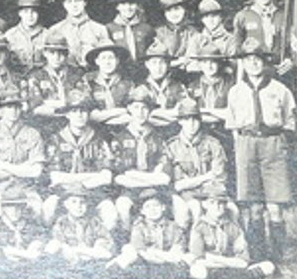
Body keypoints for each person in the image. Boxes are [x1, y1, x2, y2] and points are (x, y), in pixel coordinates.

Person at [224, 37, 297, 265]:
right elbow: (233, 125)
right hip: (246, 145)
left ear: (264, 62)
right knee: (253, 207)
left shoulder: (280, 90)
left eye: (257, 59)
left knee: (275, 207)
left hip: (272, 145)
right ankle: (258, 259)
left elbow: (289, 120)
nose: (253, 64)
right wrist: (242, 146)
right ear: (243, 64)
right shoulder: (235, 92)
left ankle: (277, 260)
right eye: (248, 60)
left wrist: (278, 141)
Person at [45, 88, 119, 231]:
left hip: (92, 193)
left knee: (110, 212)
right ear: (67, 114)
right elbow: (56, 177)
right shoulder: (55, 139)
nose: (79, 115)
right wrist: (90, 176)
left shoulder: (99, 140)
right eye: (74, 111)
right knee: (48, 206)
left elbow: (106, 177)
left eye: (84, 111)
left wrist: (76, 180)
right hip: (64, 193)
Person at [186, 185, 277, 279]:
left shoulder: (233, 226)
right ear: (204, 204)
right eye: (212, 203)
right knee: (197, 271)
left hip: (231, 267)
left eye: (221, 203)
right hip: (212, 268)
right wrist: (224, 263)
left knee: (268, 266)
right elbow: (198, 259)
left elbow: (243, 260)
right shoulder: (199, 227)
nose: (217, 207)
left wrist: (217, 259)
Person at [161, 96, 229, 229]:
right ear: (180, 121)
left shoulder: (213, 144)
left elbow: (219, 178)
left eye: (195, 119)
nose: (191, 124)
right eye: (186, 119)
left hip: (211, 192)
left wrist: (208, 193)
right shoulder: (171, 146)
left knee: (232, 210)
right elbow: (176, 185)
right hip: (185, 195)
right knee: (193, 209)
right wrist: (205, 177)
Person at [111, 86, 172, 230]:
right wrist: (151, 178)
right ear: (129, 109)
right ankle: (127, 243)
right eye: (136, 107)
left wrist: (133, 175)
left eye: (145, 108)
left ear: (150, 111)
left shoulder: (159, 138)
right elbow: (119, 176)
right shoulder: (118, 139)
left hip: (155, 190)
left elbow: (165, 176)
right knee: (122, 206)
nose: (140, 112)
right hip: (130, 190)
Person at [0, 87, 46, 217]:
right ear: (1, 109)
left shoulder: (32, 133)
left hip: (26, 188)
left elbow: (36, 171)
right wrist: (23, 168)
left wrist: (2, 165)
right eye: (9, 107)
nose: (14, 111)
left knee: (38, 209)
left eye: (17, 107)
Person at [112, 189, 187, 279]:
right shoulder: (139, 227)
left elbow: (177, 251)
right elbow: (142, 251)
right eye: (147, 207)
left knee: (182, 267)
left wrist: (158, 254)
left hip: (167, 262)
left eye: (156, 205)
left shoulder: (173, 226)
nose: (152, 210)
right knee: (131, 255)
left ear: (163, 207)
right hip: (148, 262)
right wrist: (157, 256)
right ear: (142, 211)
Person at [43, 181, 115, 279]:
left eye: (82, 202)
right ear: (66, 204)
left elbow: (105, 246)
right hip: (70, 259)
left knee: (102, 254)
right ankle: (63, 276)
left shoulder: (94, 222)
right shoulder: (61, 223)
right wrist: (72, 252)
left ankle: (80, 277)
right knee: (55, 245)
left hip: (90, 258)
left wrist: (85, 250)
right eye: (74, 202)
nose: (79, 206)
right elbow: (60, 244)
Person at [233, 0, 293, 75]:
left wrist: (290, 60)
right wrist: (240, 81)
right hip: (254, 72)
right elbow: (239, 53)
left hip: (280, 71)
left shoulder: (283, 16)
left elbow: (293, 45)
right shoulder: (243, 16)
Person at [46, 0, 110, 70]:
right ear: (64, 5)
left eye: (77, 0)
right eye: (69, 2)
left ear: (84, 2)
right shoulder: (55, 30)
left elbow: (107, 58)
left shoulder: (99, 29)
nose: (74, 5)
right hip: (67, 77)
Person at [25, 32, 84, 129]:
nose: (57, 57)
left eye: (61, 53)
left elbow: (82, 101)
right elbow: (36, 107)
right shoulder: (36, 76)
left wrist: (48, 103)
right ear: (45, 53)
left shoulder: (75, 74)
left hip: (73, 124)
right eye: (52, 53)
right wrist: (63, 108)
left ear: (66, 55)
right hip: (45, 124)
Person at [0, 183, 48, 262]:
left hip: (28, 259)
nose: (14, 210)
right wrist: (24, 254)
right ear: (3, 208)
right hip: (5, 261)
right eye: (9, 206)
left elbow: (40, 236)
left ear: (24, 207)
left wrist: (36, 244)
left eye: (19, 206)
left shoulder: (30, 222)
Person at [80, 43, 134, 125]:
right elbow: (89, 114)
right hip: (95, 129)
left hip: (123, 127)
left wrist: (103, 116)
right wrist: (121, 111)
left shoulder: (127, 82)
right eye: (103, 58)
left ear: (117, 61)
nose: (107, 62)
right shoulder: (88, 81)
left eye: (111, 58)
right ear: (97, 61)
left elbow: (133, 111)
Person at [106, 0, 155, 69]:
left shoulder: (146, 28)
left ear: (137, 5)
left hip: (142, 72)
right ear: (117, 6)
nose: (128, 8)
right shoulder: (109, 28)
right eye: (123, 4)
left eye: (132, 3)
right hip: (120, 73)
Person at [137, 42, 188, 125]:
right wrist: (170, 113)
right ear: (147, 64)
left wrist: (154, 114)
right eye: (154, 62)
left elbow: (182, 111)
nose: (158, 67)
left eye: (162, 62)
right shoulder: (141, 88)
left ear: (168, 65)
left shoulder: (178, 87)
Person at [151, 0, 196, 75]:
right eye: (169, 10)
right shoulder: (158, 33)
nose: (174, 14)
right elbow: (157, 61)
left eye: (177, 9)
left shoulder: (192, 32)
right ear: (164, 14)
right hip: (166, 75)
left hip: (190, 75)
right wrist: (178, 62)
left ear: (183, 10)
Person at [5, 0, 47, 74]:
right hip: (17, 79)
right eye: (26, 11)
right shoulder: (10, 36)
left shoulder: (47, 35)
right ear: (20, 13)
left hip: (42, 80)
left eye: (34, 11)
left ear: (39, 13)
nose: (30, 16)